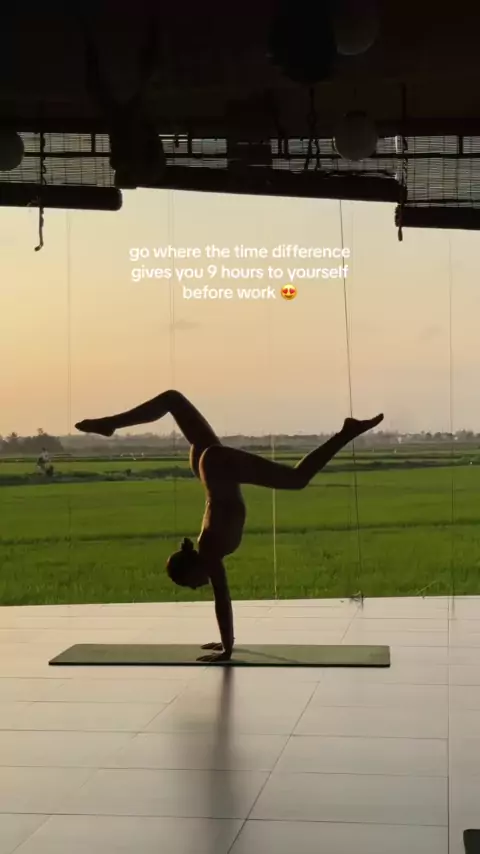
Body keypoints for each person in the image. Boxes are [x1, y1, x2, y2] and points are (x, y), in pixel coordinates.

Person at [76, 390, 383, 662]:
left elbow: (222, 599)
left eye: (191, 584)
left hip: (217, 467)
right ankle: (110, 424)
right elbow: (220, 597)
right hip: (208, 465)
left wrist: (227, 649)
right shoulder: (208, 547)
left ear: (193, 569)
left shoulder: (209, 551)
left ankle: (346, 433)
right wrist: (226, 642)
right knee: (172, 399)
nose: (197, 587)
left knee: (296, 479)